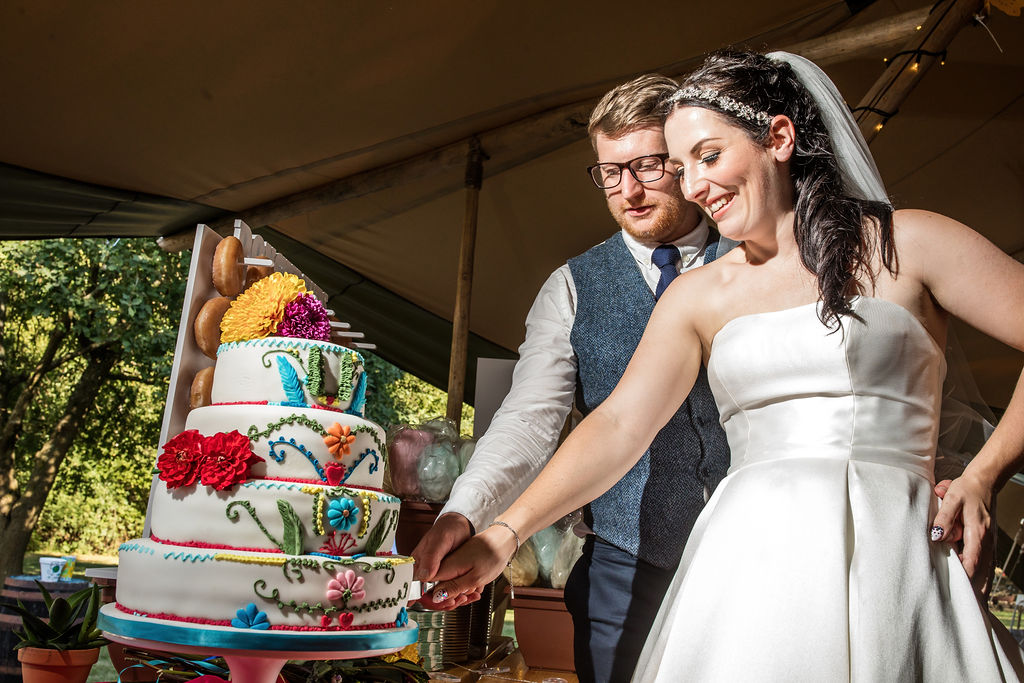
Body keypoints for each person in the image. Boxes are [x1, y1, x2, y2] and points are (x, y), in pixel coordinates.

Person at [429, 50, 1024, 681]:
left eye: (707, 157)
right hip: (746, 568)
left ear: (779, 137)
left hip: (894, 552)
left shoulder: (911, 243)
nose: (692, 187)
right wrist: (503, 533)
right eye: (681, 168)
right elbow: (618, 426)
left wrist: (982, 477)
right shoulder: (700, 296)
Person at [412, 75, 733, 681]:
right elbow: (529, 419)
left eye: (648, 166)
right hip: (622, 565)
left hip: (748, 551)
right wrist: (465, 513)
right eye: (609, 173)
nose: (628, 191)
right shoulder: (570, 286)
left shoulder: (753, 259)